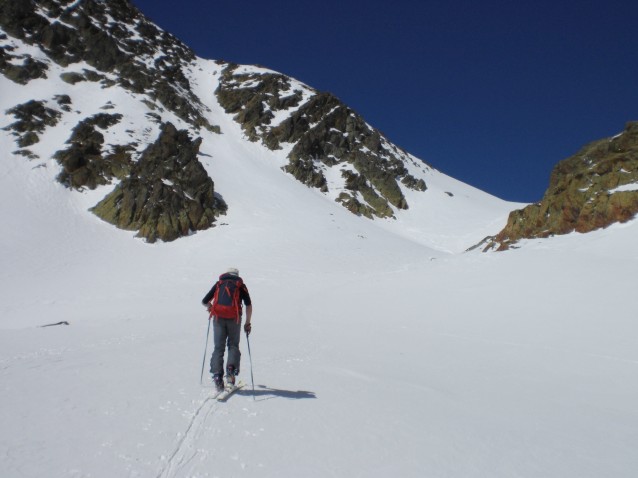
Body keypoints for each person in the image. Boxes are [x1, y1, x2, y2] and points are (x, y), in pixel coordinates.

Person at [202, 267, 252, 392]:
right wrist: (247, 323)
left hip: (218, 317)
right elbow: (249, 305)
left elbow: (204, 301)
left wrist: (211, 307)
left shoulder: (220, 283)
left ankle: (217, 376)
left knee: (218, 348)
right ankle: (231, 372)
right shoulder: (240, 285)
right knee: (233, 345)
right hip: (234, 319)